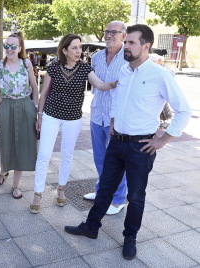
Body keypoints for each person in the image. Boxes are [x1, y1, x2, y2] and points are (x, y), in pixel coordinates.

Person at [64, 24, 191, 260]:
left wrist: (163, 139)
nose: (127, 46)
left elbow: (184, 111)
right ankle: (91, 227)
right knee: (104, 189)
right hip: (117, 141)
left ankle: (130, 238)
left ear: (146, 46)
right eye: (127, 41)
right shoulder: (124, 71)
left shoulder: (160, 74)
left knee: (136, 197)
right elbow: (116, 99)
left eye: (132, 43)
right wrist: (112, 122)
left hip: (140, 147)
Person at [30, 34, 117, 214]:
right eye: (74, 48)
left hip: (73, 119)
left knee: (67, 154)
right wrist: (39, 115)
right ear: (64, 50)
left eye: (80, 47)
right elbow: (44, 93)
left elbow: (100, 85)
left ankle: (61, 189)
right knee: (44, 154)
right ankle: (37, 193)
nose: (79, 51)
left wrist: (118, 83)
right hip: (51, 115)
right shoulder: (54, 66)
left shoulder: (85, 69)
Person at [83, 21, 128, 215]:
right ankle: (103, 191)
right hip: (97, 114)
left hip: (117, 118)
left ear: (123, 36)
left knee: (118, 161)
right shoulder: (96, 57)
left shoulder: (129, 57)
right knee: (100, 158)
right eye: (106, 31)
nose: (108, 35)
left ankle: (118, 200)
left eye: (113, 32)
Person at [0, 32, 39, 199]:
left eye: (13, 46)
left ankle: (16, 185)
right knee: (6, 143)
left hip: (25, 105)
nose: (9, 49)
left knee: (22, 145)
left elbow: (34, 87)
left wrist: (34, 108)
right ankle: (3, 172)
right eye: (6, 45)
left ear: (20, 48)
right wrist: (0, 109)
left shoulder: (26, 64)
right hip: (7, 105)